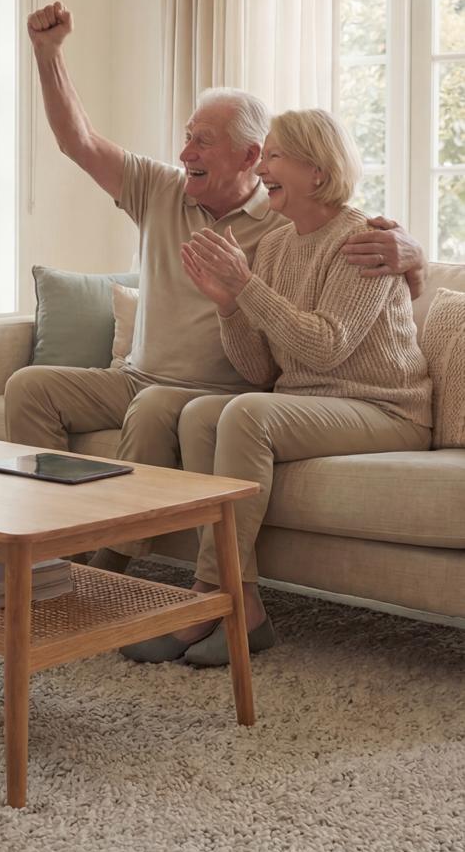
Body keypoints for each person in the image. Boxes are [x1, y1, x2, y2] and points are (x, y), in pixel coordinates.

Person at [7, 1, 427, 580]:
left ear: (252, 157)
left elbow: (342, 262)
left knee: (163, 407)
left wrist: (412, 252)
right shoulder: (161, 190)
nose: (185, 154)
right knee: (30, 386)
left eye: (202, 142)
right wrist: (47, 54)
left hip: (217, 388)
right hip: (134, 376)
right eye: (186, 139)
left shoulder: (286, 224)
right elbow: (76, 140)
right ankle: (48, 553)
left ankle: (122, 561)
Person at [119, 109, 432, 666]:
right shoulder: (282, 245)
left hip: (385, 408)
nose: (263, 167)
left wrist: (247, 288)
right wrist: (230, 306)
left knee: (246, 415)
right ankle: (247, 606)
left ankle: (207, 599)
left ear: (318, 169)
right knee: (200, 414)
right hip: (311, 403)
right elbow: (260, 370)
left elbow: (325, 347)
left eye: (276, 155)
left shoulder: (363, 243)